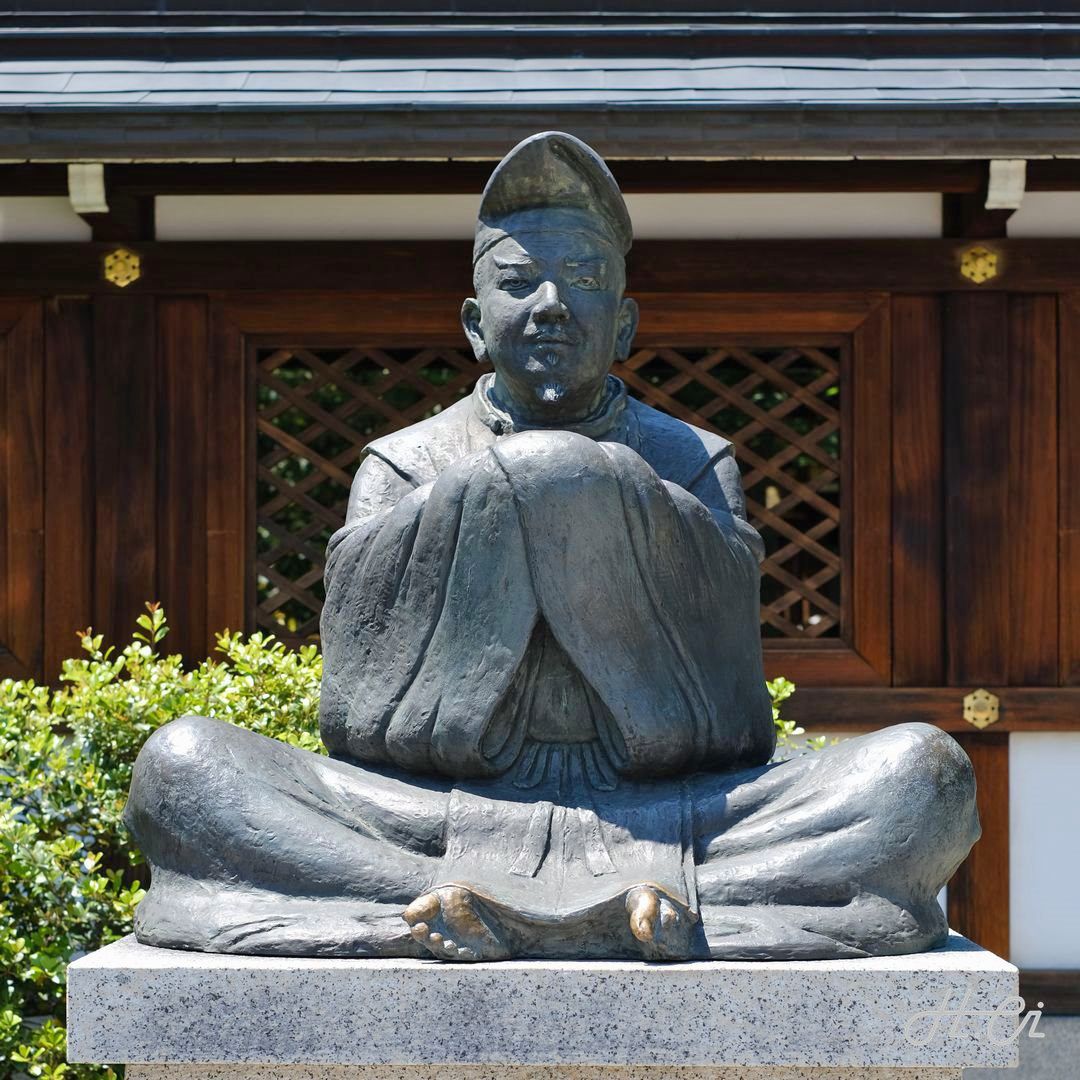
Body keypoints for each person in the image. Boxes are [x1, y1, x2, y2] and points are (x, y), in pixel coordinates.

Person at [125, 132, 979, 962]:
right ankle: (647, 922)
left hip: (669, 813)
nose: (551, 305)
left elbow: (723, 715)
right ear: (472, 320)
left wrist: (589, 495)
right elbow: (362, 716)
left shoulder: (692, 458)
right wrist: (500, 496)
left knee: (923, 776)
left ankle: (454, 919)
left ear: (625, 321)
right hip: (432, 817)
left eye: (582, 279)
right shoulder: (403, 463)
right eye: (518, 281)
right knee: (185, 768)